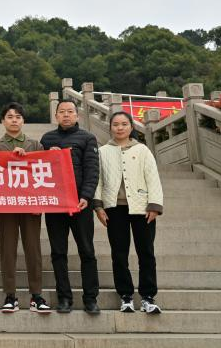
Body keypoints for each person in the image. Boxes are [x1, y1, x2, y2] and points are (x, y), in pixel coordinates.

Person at [93, 111, 163, 314]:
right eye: (116, 124)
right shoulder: (103, 151)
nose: (120, 128)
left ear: (131, 127)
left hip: (142, 208)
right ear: (110, 127)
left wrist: (154, 206)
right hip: (114, 208)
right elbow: (98, 180)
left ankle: (148, 297)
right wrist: (98, 206)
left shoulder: (142, 150)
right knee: (119, 253)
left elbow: (153, 178)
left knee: (146, 252)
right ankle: (126, 296)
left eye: (124, 124)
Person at [0, 102, 51, 313]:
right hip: (5, 205)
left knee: (33, 249)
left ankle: (36, 295)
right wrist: (10, 158)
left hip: (30, 204)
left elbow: (43, 174)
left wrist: (40, 201)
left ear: (23, 121)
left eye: (18, 117)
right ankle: (10, 294)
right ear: (2, 121)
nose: (14, 120)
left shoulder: (36, 145)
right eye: (9, 116)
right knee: (7, 250)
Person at [40, 100, 100, 314]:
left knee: (87, 250)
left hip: (80, 203)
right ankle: (64, 297)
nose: (66, 115)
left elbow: (92, 169)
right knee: (58, 252)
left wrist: (86, 196)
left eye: (70, 111)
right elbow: (38, 168)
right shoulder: (47, 139)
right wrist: (48, 154)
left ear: (77, 115)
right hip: (55, 204)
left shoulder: (87, 138)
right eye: (62, 112)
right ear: (56, 115)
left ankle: (90, 298)